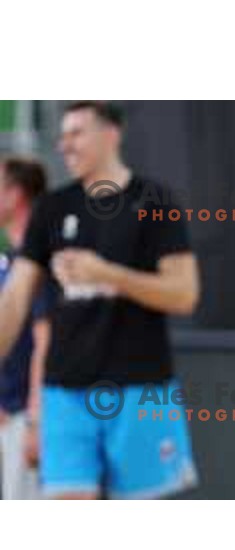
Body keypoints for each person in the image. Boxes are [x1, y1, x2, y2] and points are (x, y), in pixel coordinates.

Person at [0, 101, 200, 499]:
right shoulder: (51, 209)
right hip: (65, 394)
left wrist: (107, 274)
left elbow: (184, 294)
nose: (65, 145)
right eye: (62, 136)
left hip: (141, 389)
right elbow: (16, 298)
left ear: (111, 134)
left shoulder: (154, 200)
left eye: (77, 133)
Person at [0, 157, 50, 499]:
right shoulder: (10, 263)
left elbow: (45, 341)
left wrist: (35, 420)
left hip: (29, 421)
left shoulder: (43, 260)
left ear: (15, 194)